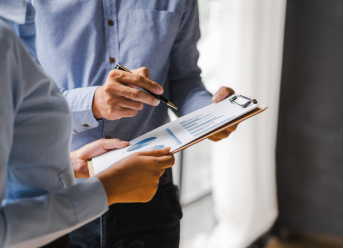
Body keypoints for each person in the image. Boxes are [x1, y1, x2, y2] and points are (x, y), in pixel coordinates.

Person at [31, 0, 238, 247]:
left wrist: (210, 114)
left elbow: (184, 78)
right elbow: (18, 101)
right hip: (60, 192)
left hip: (151, 193)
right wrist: (93, 103)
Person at [0, 2, 175, 247]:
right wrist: (107, 189)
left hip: (123, 189)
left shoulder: (13, 31)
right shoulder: (5, 38)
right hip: (72, 210)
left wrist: (67, 166)